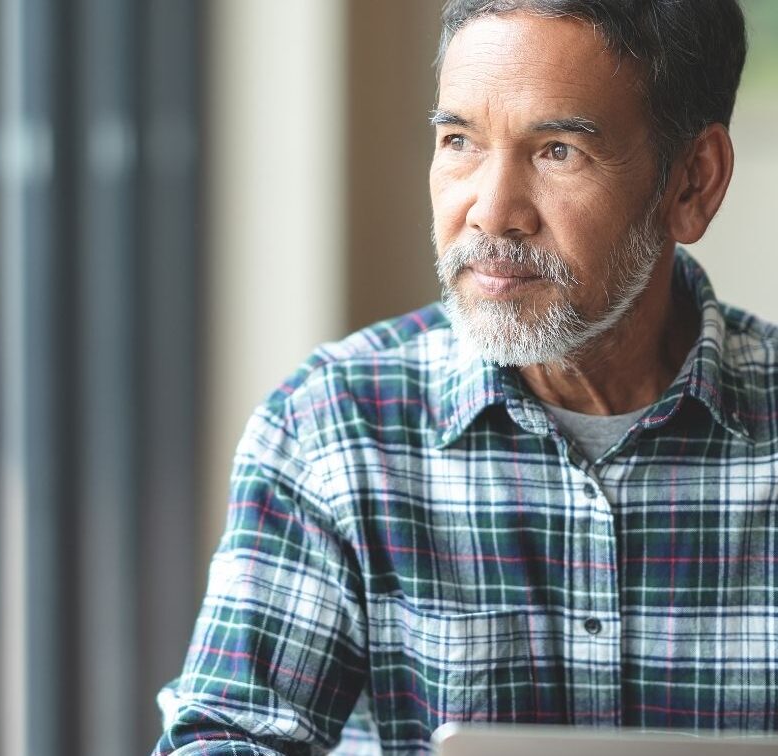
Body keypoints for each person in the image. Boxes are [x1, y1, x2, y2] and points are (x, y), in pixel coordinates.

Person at [154, 1, 773, 753]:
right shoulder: (331, 428)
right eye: (459, 142)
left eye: (556, 152)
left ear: (693, 184)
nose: (491, 212)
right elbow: (229, 735)